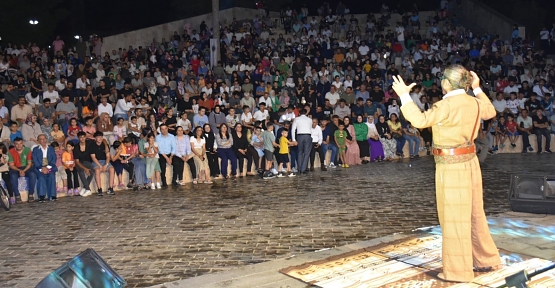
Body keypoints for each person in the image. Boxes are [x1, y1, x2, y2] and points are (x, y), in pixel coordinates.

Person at [392, 66, 501, 282]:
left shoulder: (446, 105)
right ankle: (486, 259)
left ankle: (458, 272)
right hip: (471, 163)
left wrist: (404, 96)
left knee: (453, 219)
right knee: (474, 214)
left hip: (451, 167)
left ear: (447, 84)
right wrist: (477, 89)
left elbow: (420, 121)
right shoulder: (473, 101)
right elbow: (490, 111)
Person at [8, 137, 37, 203]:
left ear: (23, 143)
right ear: (14, 144)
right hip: (15, 168)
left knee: (33, 174)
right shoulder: (10, 151)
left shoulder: (27, 150)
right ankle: (17, 195)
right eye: (17, 144)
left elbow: (29, 164)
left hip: (26, 167)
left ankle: (31, 194)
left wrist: (23, 171)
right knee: (13, 176)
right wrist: (19, 170)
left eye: (20, 143)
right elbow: (11, 165)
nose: (19, 145)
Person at [33, 134, 58, 202]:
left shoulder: (51, 148)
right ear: (38, 141)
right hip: (40, 168)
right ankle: (41, 196)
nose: (43, 140)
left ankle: (52, 195)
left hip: (49, 166)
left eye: (44, 139)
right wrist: (42, 168)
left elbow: (54, 158)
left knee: (51, 176)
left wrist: (48, 167)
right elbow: (35, 160)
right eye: (41, 139)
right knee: (41, 178)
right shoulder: (35, 150)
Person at [90, 131, 116, 195]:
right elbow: (93, 157)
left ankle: (110, 188)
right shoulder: (92, 146)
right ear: (95, 138)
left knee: (112, 169)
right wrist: (100, 166)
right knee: (97, 170)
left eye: (101, 137)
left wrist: (106, 164)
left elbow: (108, 156)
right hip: (96, 161)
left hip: (104, 161)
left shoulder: (105, 144)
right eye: (98, 137)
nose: (100, 138)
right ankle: (99, 189)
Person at [291, 108, 312, 174]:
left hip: (299, 135)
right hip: (307, 135)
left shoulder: (297, 119)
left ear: (299, 113)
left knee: (299, 152)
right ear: (306, 113)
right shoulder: (309, 119)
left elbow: (293, 130)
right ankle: (303, 168)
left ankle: (299, 168)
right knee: (306, 153)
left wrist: (294, 139)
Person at [74, 132, 94, 196]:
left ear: (85, 137)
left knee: (92, 171)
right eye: (80, 137)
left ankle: (84, 187)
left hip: (88, 162)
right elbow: (77, 161)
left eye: (83, 137)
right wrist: (85, 169)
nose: (82, 139)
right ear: (78, 138)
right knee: (80, 171)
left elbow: (102, 140)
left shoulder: (89, 144)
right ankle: (88, 189)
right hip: (80, 163)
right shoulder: (76, 147)